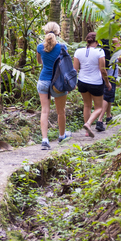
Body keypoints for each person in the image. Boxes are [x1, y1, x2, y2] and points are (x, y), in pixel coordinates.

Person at [36, 22, 71, 150]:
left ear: (45, 31)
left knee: (45, 111)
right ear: (58, 32)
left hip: (43, 80)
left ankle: (45, 140)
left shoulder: (40, 47)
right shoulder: (62, 47)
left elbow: (40, 61)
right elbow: (66, 64)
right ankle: (62, 136)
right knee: (60, 111)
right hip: (59, 82)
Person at [73, 32, 111, 137]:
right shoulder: (100, 51)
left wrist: (73, 83)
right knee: (98, 107)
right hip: (96, 83)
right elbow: (103, 70)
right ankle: (88, 123)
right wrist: (107, 83)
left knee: (87, 105)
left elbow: (75, 70)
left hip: (82, 82)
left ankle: (86, 131)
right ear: (97, 41)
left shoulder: (78, 51)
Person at [99, 37, 121, 126]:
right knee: (106, 96)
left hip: (103, 73)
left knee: (109, 95)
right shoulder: (114, 41)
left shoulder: (103, 43)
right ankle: (100, 120)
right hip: (110, 75)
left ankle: (109, 116)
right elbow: (119, 57)